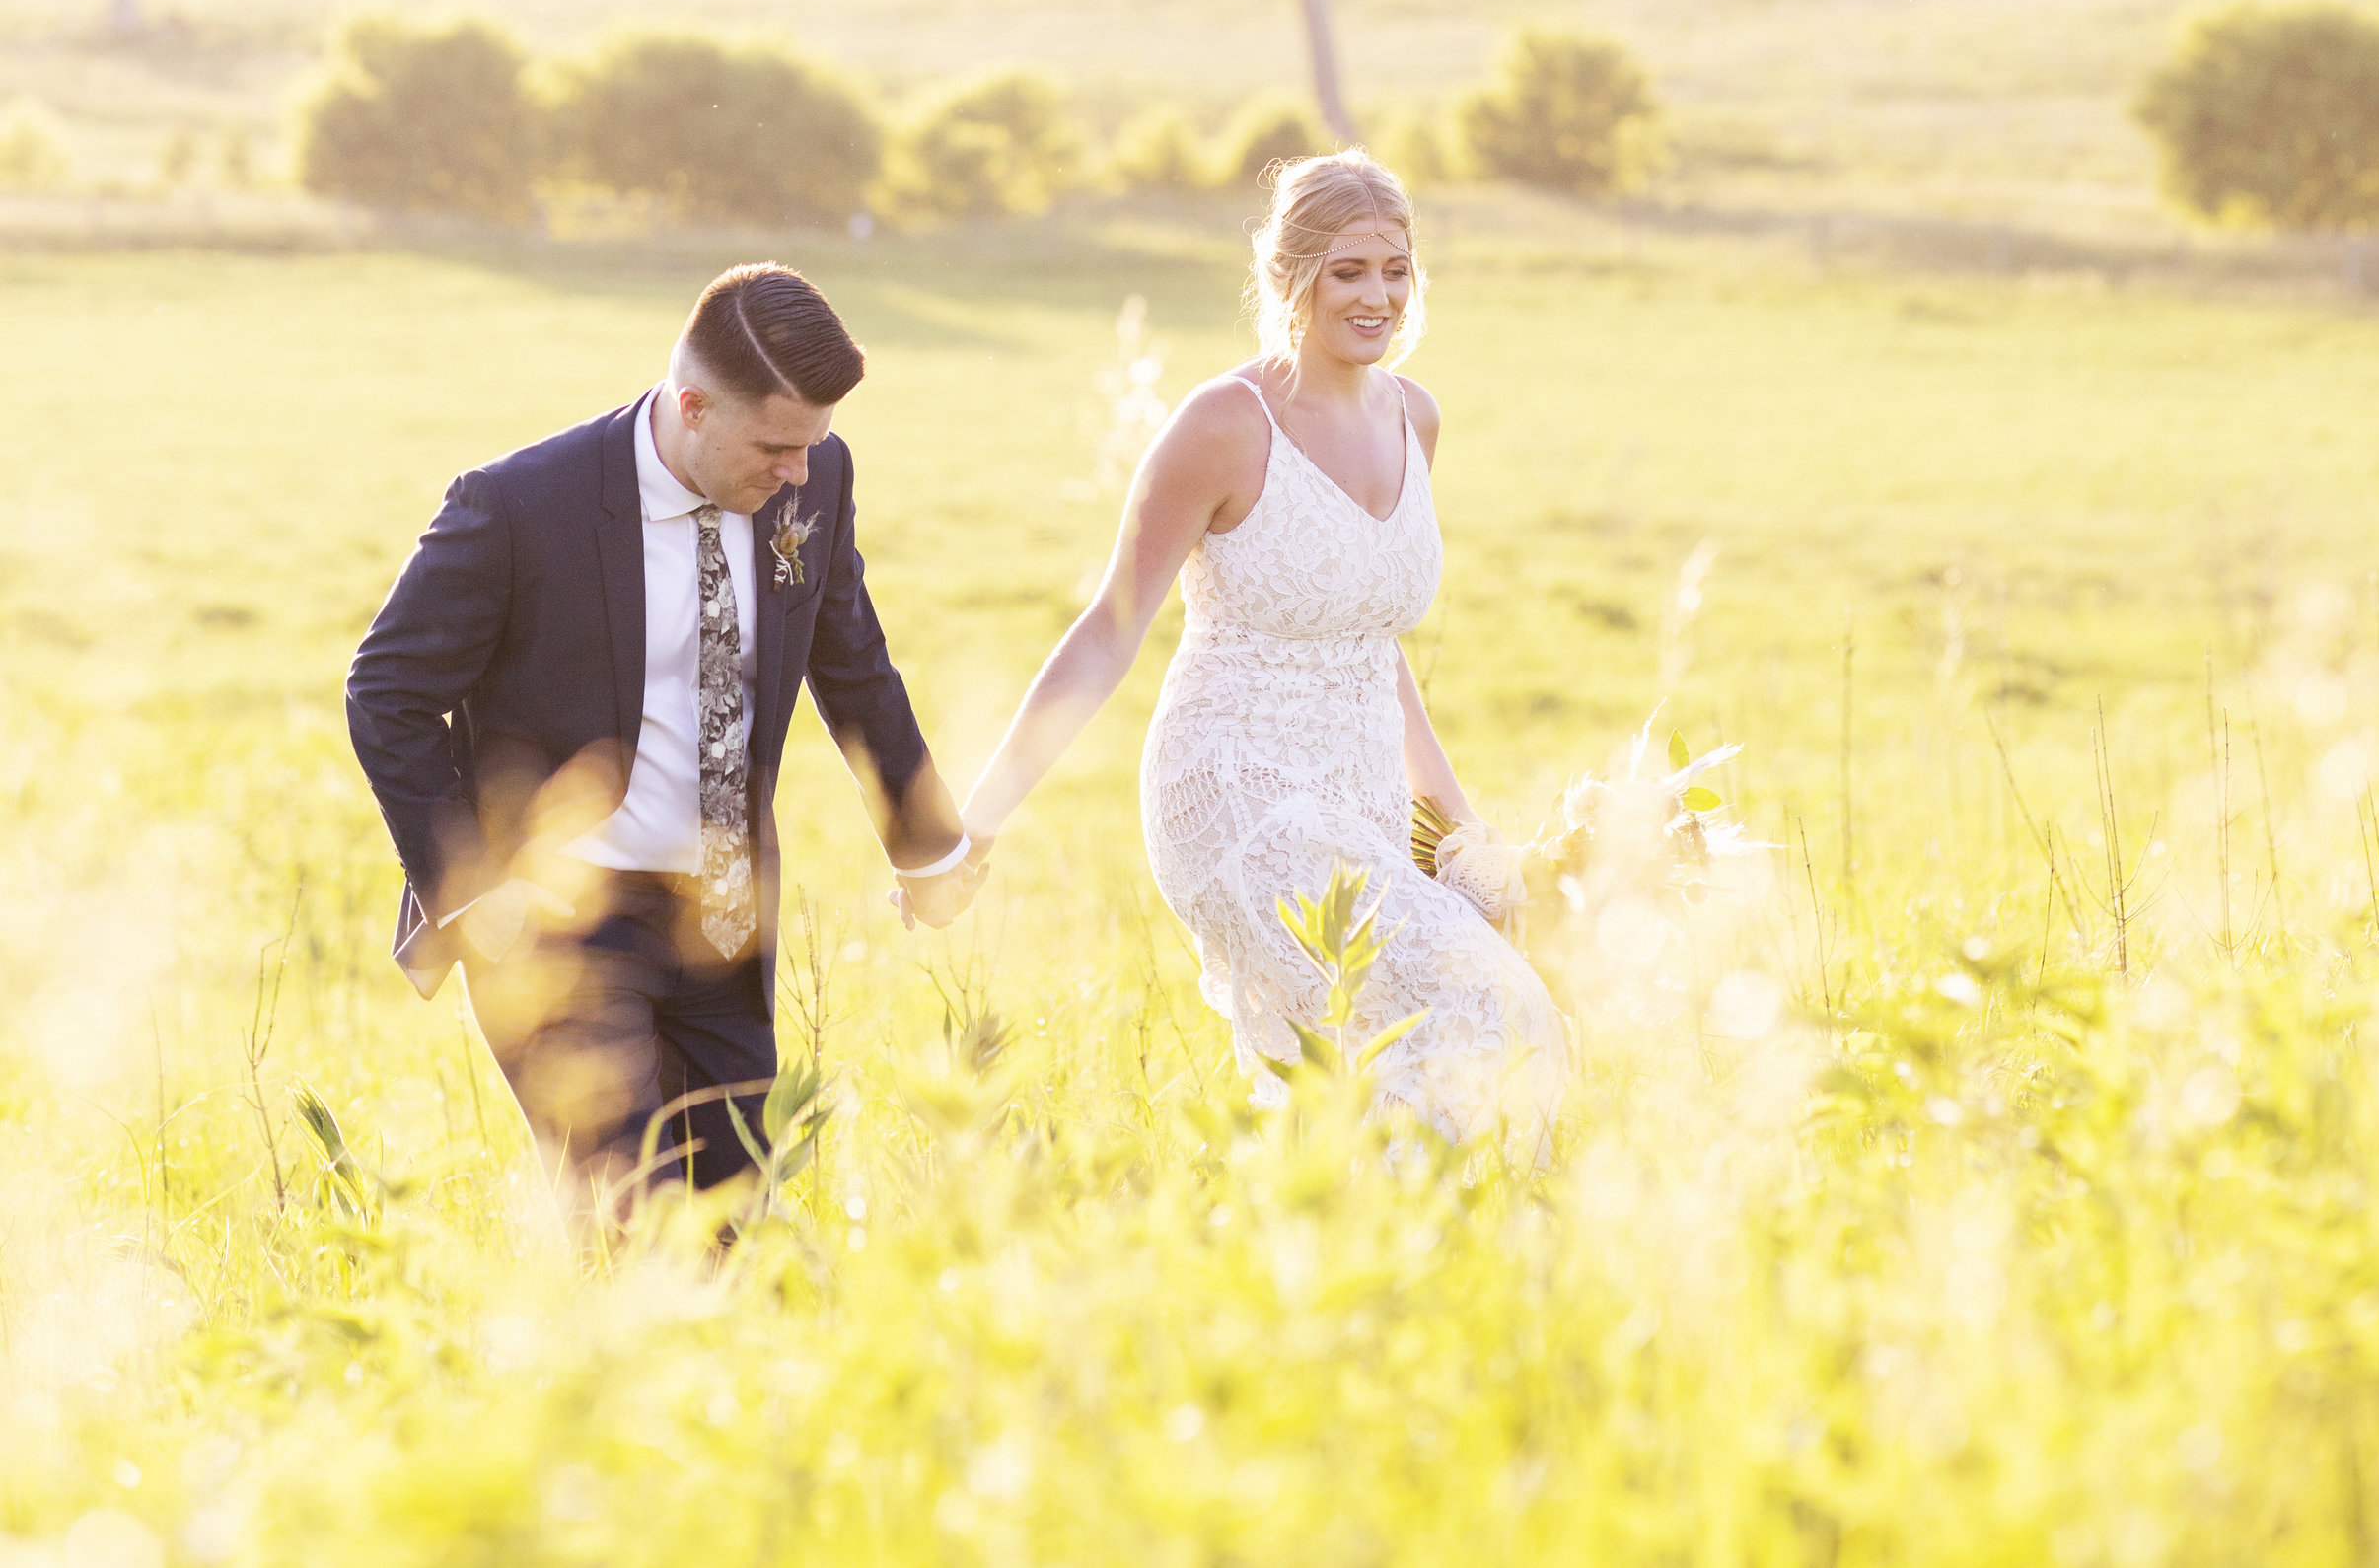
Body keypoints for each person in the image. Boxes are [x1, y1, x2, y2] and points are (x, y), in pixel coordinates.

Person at [346, 261, 984, 1209]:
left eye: (814, 445)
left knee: (737, 1225)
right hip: (558, 926)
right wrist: (475, 893)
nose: (797, 473)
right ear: (692, 406)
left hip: (724, 920)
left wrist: (930, 851)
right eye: (776, 446)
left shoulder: (811, 478)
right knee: (629, 1219)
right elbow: (386, 690)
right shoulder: (519, 507)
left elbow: (851, 662)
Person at [960, 152, 1564, 1151]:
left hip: (1360, 795)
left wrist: (1464, 837)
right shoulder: (1225, 426)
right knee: (1489, 1005)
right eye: (1347, 272)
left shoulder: (1415, 417)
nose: (1376, 297)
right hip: (1234, 787)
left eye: (1395, 271)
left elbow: (1371, 645)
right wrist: (975, 822)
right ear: (1290, 278)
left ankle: (1374, 1276)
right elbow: (1109, 628)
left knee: (1353, 1073)